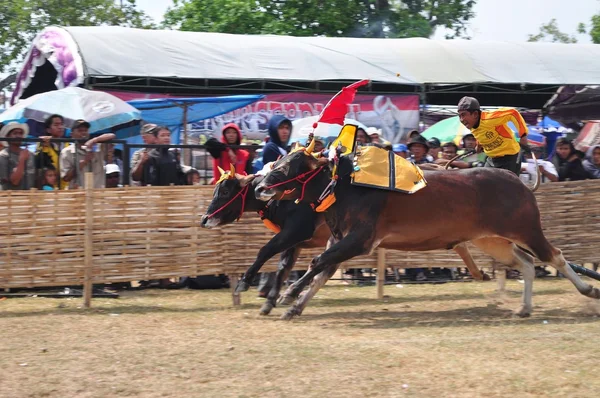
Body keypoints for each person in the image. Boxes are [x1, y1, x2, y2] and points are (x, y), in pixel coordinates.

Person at [457, 96, 529, 176]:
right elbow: (481, 134)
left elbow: (512, 113)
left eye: (463, 115)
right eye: (459, 116)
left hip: (509, 157)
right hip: (492, 159)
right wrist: (479, 145)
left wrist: (523, 135)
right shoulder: (472, 125)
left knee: (504, 187)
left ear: (475, 114)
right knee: (482, 182)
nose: (461, 119)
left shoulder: (489, 118)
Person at [60, 120, 115, 189]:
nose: (83, 133)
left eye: (85, 130)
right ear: (72, 134)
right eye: (80, 131)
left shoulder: (97, 146)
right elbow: (66, 178)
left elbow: (112, 135)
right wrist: (83, 162)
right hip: (78, 195)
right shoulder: (66, 152)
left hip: (98, 193)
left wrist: (94, 140)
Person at [0, 122, 35, 190]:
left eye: (20, 133)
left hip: (30, 197)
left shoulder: (30, 154)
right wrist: (22, 160)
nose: (18, 136)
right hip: (11, 198)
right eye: (15, 133)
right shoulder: (3, 156)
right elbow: (15, 181)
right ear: (7, 136)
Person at [36, 114, 67, 189]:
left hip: (67, 187)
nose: (60, 127)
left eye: (61, 124)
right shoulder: (42, 143)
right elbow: (39, 163)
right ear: (48, 130)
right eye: (56, 125)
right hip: (51, 188)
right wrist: (45, 147)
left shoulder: (68, 144)